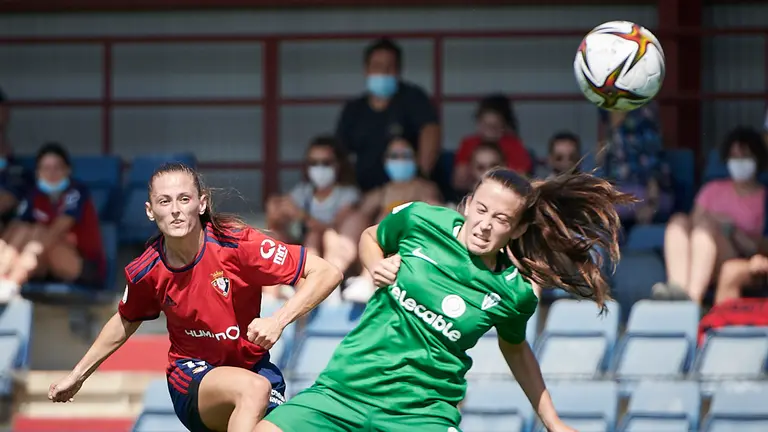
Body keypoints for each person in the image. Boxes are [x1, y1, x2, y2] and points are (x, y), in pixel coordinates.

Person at [257, 168, 634, 432]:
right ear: (468, 204)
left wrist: (551, 420)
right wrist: (376, 264)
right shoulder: (422, 220)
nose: (486, 224)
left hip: (421, 415)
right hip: (343, 392)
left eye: (501, 219)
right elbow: (371, 235)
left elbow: (517, 351)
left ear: (518, 228)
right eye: (482, 210)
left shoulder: (513, 292)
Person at [48, 163, 342, 432]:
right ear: (151, 211)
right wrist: (77, 376)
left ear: (201, 204)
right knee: (253, 389)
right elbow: (125, 320)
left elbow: (327, 273)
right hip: (194, 375)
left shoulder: (237, 244)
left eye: (184, 199)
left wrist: (278, 320)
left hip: (254, 368)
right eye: (165, 201)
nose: (175, 209)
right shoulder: (146, 271)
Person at [653, 126, 768, 303]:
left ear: (757, 159)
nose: (739, 162)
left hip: (739, 256)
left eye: (744, 156)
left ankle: (692, 299)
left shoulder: (763, 197)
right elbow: (693, 222)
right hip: (702, 252)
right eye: (734, 157)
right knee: (679, 221)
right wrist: (714, 221)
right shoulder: (712, 189)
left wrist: (730, 229)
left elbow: (757, 247)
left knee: (706, 229)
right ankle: (678, 288)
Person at [0, 143, 105, 299]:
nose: (51, 173)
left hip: (83, 266)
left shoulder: (76, 191)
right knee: (22, 230)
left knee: (39, 234)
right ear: (38, 173)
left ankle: (13, 282)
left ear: (67, 170)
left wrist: (29, 255)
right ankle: (4, 278)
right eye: (45, 168)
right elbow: (16, 229)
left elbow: (57, 230)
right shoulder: (35, 195)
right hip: (45, 264)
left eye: (57, 168)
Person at [336, 38, 440, 192]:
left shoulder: (413, 99)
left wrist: (421, 178)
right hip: (363, 192)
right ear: (366, 70)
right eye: (377, 66)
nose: (383, 72)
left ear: (399, 71)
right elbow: (340, 153)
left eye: (389, 67)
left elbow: (430, 132)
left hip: (407, 191)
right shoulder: (353, 109)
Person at [453, 94, 532, 193]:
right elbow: (459, 182)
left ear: (503, 125)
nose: (489, 131)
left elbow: (522, 181)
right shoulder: (468, 143)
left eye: (494, 126)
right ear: (478, 123)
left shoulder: (514, 145)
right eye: (485, 125)